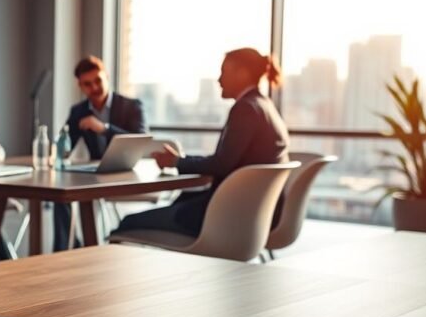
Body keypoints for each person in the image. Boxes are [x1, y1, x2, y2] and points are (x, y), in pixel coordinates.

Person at [114, 47, 290, 238]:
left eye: (224, 72)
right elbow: (226, 161)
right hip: (255, 214)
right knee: (180, 201)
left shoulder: (245, 109)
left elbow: (222, 164)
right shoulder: (265, 105)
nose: (219, 80)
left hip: (228, 217)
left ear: (242, 74)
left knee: (127, 223)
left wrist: (177, 162)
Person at [54, 55, 147, 251]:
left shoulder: (131, 106)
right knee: (60, 194)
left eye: (98, 80)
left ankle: (90, 248)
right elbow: (65, 146)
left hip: (126, 174)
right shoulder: (79, 111)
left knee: (79, 192)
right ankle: (64, 250)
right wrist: (58, 149)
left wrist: (104, 128)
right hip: (95, 175)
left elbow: (141, 140)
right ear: (80, 86)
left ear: (107, 77)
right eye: (87, 84)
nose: (94, 87)